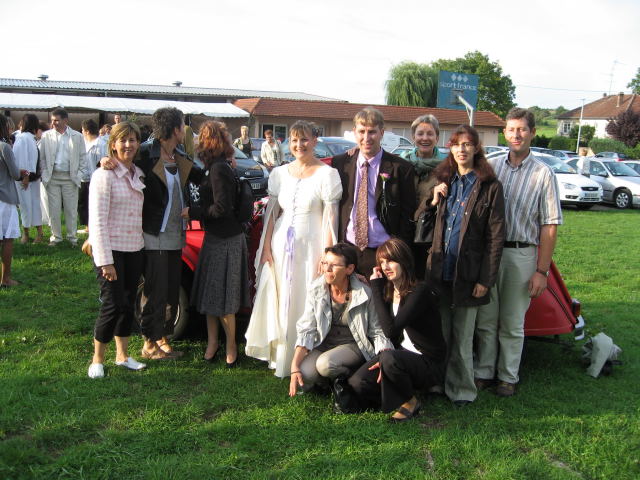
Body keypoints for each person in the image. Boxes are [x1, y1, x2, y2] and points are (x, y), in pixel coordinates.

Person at [475, 108, 562, 397]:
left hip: (520, 254)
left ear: (532, 133)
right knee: (486, 319)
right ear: (505, 133)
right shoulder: (492, 166)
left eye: (522, 129)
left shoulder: (543, 173)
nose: (516, 135)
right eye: (511, 129)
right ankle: (484, 371)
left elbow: (549, 225)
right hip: (490, 253)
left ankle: (507, 376)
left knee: (512, 322)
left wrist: (542, 271)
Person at [245, 120, 342, 377]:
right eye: (295, 140)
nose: (300, 145)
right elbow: (271, 215)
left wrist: (328, 255)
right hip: (280, 247)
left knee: (305, 296)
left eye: (305, 139)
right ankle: (281, 355)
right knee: (282, 296)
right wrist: (266, 248)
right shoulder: (279, 174)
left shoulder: (327, 175)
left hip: (312, 247)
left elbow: (331, 220)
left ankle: (303, 356)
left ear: (315, 141)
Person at [425, 125, 505, 406]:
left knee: (462, 338)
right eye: (457, 144)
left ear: (476, 149)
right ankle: (439, 382)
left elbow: (496, 238)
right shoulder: (444, 181)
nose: (462, 149)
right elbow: (423, 220)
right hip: (440, 271)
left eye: (468, 144)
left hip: (469, 275)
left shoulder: (490, 187)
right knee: (441, 334)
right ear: (451, 148)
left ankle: (462, 391)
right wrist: (433, 199)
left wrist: (485, 280)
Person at [348, 238, 445, 421]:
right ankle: (395, 389)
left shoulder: (420, 291)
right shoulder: (389, 290)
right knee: (358, 382)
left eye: (391, 261)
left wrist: (375, 287)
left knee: (389, 358)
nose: (386, 267)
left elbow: (390, 331)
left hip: (428, 362)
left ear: (404, 261)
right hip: (401, 355)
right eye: (382, 262)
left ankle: (410, 401)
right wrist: (385, 362)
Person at [134, 107, 202, 359]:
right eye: (183, 125)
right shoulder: (145, 153)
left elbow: (202, 178)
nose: (186, 130)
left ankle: (162, 337)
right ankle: (149, 344)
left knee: (171, 290)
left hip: (176, 234)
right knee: (155, 290)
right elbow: (118, 163)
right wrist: (107, 162)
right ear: (175, 129)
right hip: (154, 233)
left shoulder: (179, 154)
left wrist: (226, 161)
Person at [288, 243, 392, 396]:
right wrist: (294, 367)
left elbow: (376, 330)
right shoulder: (316, 289)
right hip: (325, 344)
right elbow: (307, 328)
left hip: (353, 345)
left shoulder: (364, 293)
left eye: (334, 265)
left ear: (349, 269)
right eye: (325, 263)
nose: (327, 269)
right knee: (305, 372)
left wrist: (386, 358)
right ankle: (331, 382)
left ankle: (351, 377)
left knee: (325, 364)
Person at [185, 121, 249, 366]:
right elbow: (201, 180)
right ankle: (213, 343)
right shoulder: (216, 167)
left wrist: (193, 212)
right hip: (216, 237)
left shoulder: (219, 168)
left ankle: (231, 345)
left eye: (201, 139)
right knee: (210, 296)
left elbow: (222, 208)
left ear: (208, 142)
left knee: (225, 299)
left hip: (226, 239)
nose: (198, 143)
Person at [87, 122, 147, 378]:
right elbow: (97, 222)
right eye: (123, 140)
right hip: (111, 251)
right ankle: (97, 359)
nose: (128, 145)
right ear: (112, 144)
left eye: (132, 140)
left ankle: (122, 356)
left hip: (135, 248)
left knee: (127, 304)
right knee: (112, 304)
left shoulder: (138, 173)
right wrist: (105, 261)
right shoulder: (104, 176)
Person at [332, 107, 416, 276]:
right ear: (354, 132)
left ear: (381, 133)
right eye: (361, 131)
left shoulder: (401, 168)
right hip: (348, 249)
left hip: (383, 252)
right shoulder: (340, 164)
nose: (366, 138)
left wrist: (397, 251)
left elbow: (408, 214)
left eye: (372, 132)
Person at [398, 114, 448, 278]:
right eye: (420, 134)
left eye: (430, 134)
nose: (424, 138)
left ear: (437, 137)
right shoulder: (402, 163)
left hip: (430, 237)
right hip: (404, 232)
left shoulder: (448, 166)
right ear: (413, 137)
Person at [38, 108, 87, 246]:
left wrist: (79, 174)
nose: (53, 123)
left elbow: (83, 157)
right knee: (53, 210)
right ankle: (56, 237)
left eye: (56, 120)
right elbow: (42, 158)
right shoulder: (46, 136)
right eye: (52, 120)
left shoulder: (77, 136)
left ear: (65, 120)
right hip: (52, 178)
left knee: (71, 210)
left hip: (70, 178)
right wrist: (45, 173)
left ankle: (72, 238)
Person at [1, 115, 29, 287]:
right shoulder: (4, 147)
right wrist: (23, 173)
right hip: (4, 197)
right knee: (7, 239)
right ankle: (5, 279)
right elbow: (14, 173)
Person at [13, 114, 44, 244]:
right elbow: (22, 158)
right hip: (27, 177)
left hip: (30, 178)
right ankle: (29, 234)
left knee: (29, 205)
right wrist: (25, 176)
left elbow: (25, 159)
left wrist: (26, 176)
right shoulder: (24, 138)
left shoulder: (26, 138)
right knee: (28, 205)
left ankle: (34, 234)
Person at [77, 119, 102, 234]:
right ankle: (88, 226)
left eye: (82, 130)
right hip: (84, 178)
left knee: (94, 204)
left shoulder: (100, 144)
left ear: (87, 131)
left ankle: (94, 227)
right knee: (83, 203)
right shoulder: (85, 144)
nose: (82, 132)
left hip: (95, 179)